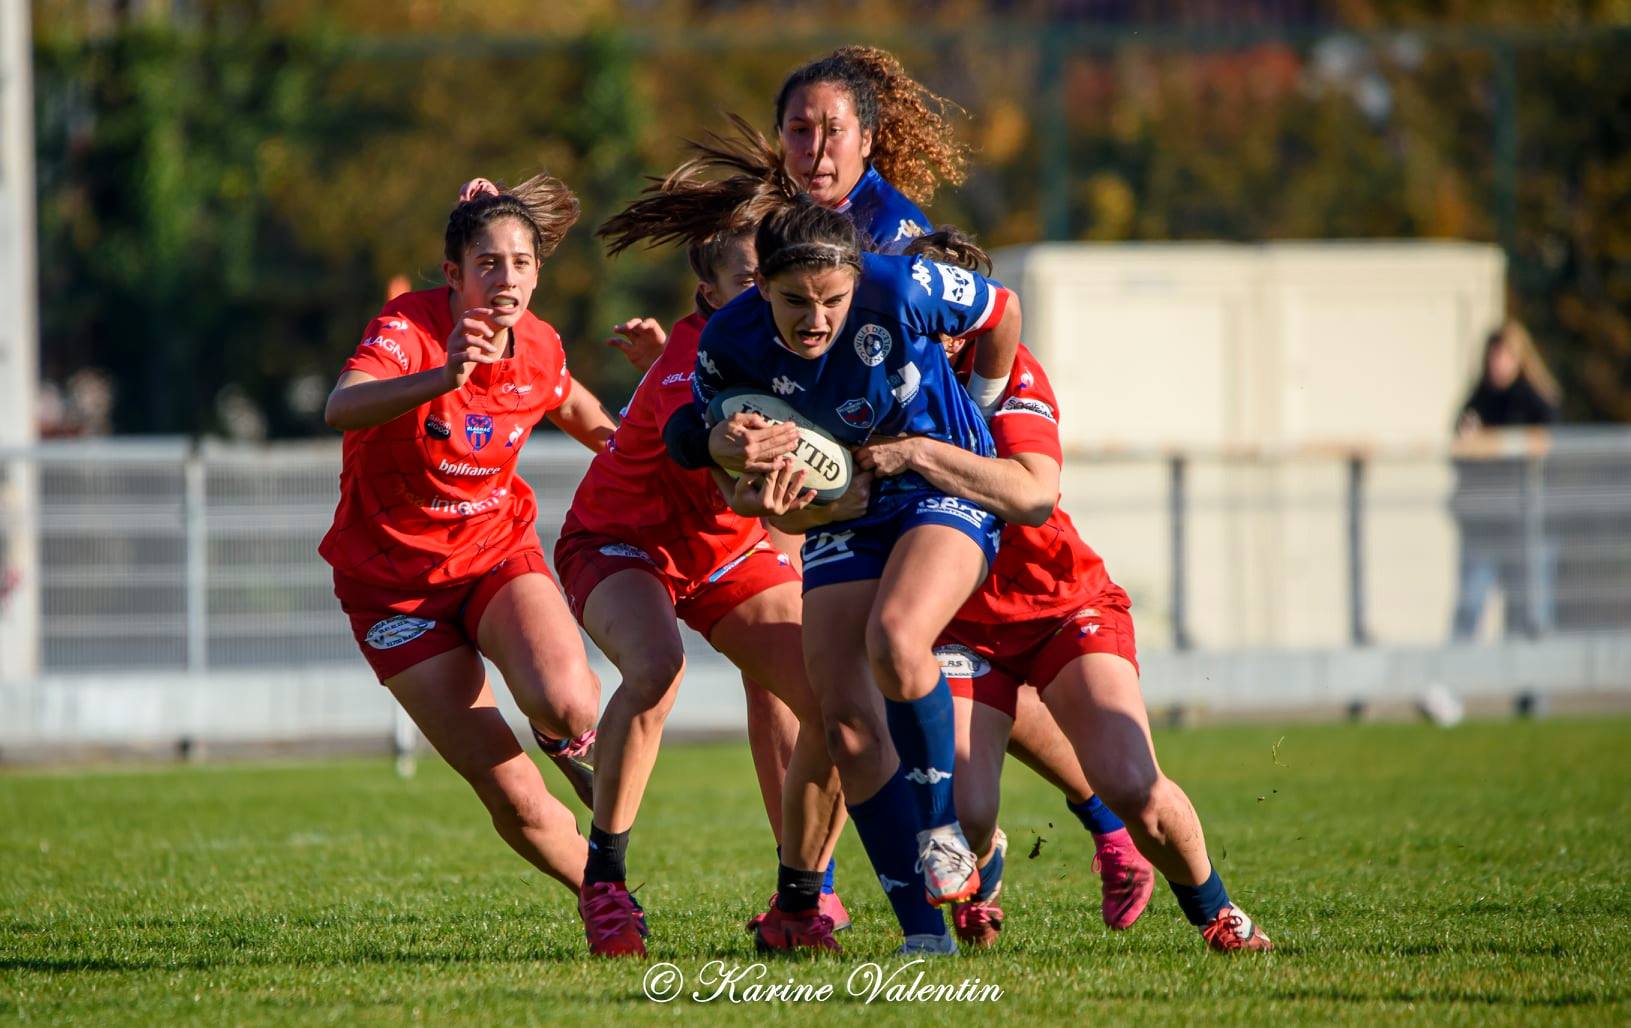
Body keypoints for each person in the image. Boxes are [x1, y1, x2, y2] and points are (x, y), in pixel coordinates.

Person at [856, 227, 1274, 953]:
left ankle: (1218, 914)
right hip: (958, 626)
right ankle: (982, 874)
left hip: (1061, 606)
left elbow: (1034, 497)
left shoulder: (1013, 373)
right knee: (967, 811)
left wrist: (920, 453)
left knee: (1134, 790)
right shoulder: (878, 377)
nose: (924, 322)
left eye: (942, 309)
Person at [668, 193, 1020, 954]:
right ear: (760, 287)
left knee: (897, 639)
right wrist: (758, 484)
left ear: (857, 282)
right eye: (794, 301)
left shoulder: (900, 286)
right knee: (847, 731)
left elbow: (1004, 312)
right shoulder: (729, 339)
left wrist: (983, 413)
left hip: (936, 486)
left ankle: (943, 829)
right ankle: (925, 936)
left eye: (831, 300)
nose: (815, 319)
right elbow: (729, 480)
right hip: (845, 512)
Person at [545, 177, 850, 956]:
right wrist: (746, 468)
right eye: (746, 280)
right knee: (656, 668)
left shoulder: (808, 339)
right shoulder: (696, 352)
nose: (767, 294)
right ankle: (605, 886)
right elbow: (706, 443)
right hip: (620, 540)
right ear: (705, 291)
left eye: (769, 277)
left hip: (723, 551)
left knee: (840, 705)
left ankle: (797, 906)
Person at [319, 174, 612, 903]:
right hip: (394, 593)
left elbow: (575, 407)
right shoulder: (407, 329)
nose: (505, 278)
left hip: (492, 556)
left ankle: (565, 739)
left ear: (538, 271)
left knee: (570, 701)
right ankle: (604, 895)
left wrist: (649, 455)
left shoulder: (539, 345)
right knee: (512, 796)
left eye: (520, 262)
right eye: (487, 263)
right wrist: (440, 376)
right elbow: (340, 406)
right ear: (453, 275)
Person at [1450, 321, 1563, 640]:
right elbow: (1460, 448)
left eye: (1504, 356)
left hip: (1528, 525)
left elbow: (1546, 444)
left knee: (1530, 611)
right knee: (1470, 605)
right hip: (1484, 525)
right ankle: (1450, 684)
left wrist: (1491, 443)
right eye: (1492, 357)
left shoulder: (1536, 401)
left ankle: (1533, 688)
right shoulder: (1478, 400)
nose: (1497, 365)